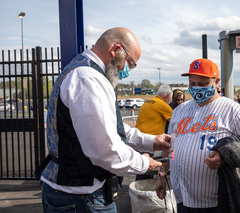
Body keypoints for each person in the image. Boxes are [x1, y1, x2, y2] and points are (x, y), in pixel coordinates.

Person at [37, 27, 171, 213]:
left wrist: (151, 141)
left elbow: (108, 126)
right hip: (82, 197)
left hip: (74, 193)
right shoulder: (88, 78)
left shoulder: (83, 72)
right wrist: (143, 163)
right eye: (130, 62)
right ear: (115, 50)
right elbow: (104, 149)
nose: (126, 69)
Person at [156, 58, 240, 212]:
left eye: (203, 84)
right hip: (181, 197)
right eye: (192, 84)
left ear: (216, 82)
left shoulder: (233, 110)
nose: (196, 88)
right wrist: (162, 173)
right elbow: (171, 149)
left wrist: (226, 157)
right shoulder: (179, 110)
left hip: (216, 201)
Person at [134, 85, 173, 180]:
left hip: (138, 138)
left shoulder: (147, 102)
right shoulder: (162, 105)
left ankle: (142, 188)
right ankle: (143, 192)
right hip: (149, 141)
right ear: (167, 96)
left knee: (142, 168)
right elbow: (176, 120)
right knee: (145, 169)